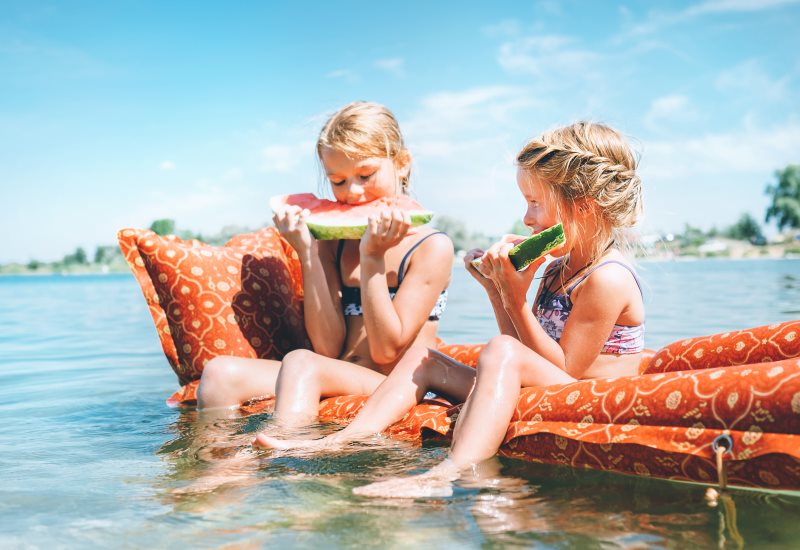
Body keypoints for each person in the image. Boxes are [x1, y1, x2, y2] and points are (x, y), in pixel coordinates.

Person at [254, 121, 645, 499]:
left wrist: (515, 300)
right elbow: (523, 352)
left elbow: (566, 371)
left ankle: (451, 471)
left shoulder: (606, 278)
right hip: (542, 385)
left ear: (586, 208)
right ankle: (341, 441)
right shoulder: (558, 269)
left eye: (535, 204)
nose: (527, 218)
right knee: (423, 359)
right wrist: (497, 291)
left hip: (582, 395)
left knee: (499, 351)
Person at [197, 101, 454, 422]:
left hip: (393, 381)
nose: (353, 192)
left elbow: (386, 350)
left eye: (366, 174)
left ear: (401, 164)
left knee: (302, 363)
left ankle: (291, 457)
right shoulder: (333, 243)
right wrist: (308, 253)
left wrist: (371, 257)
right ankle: (218, 469)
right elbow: (328, 348)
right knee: (219, 373)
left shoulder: (432, 247)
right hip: (335, 369)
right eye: (338, 181)